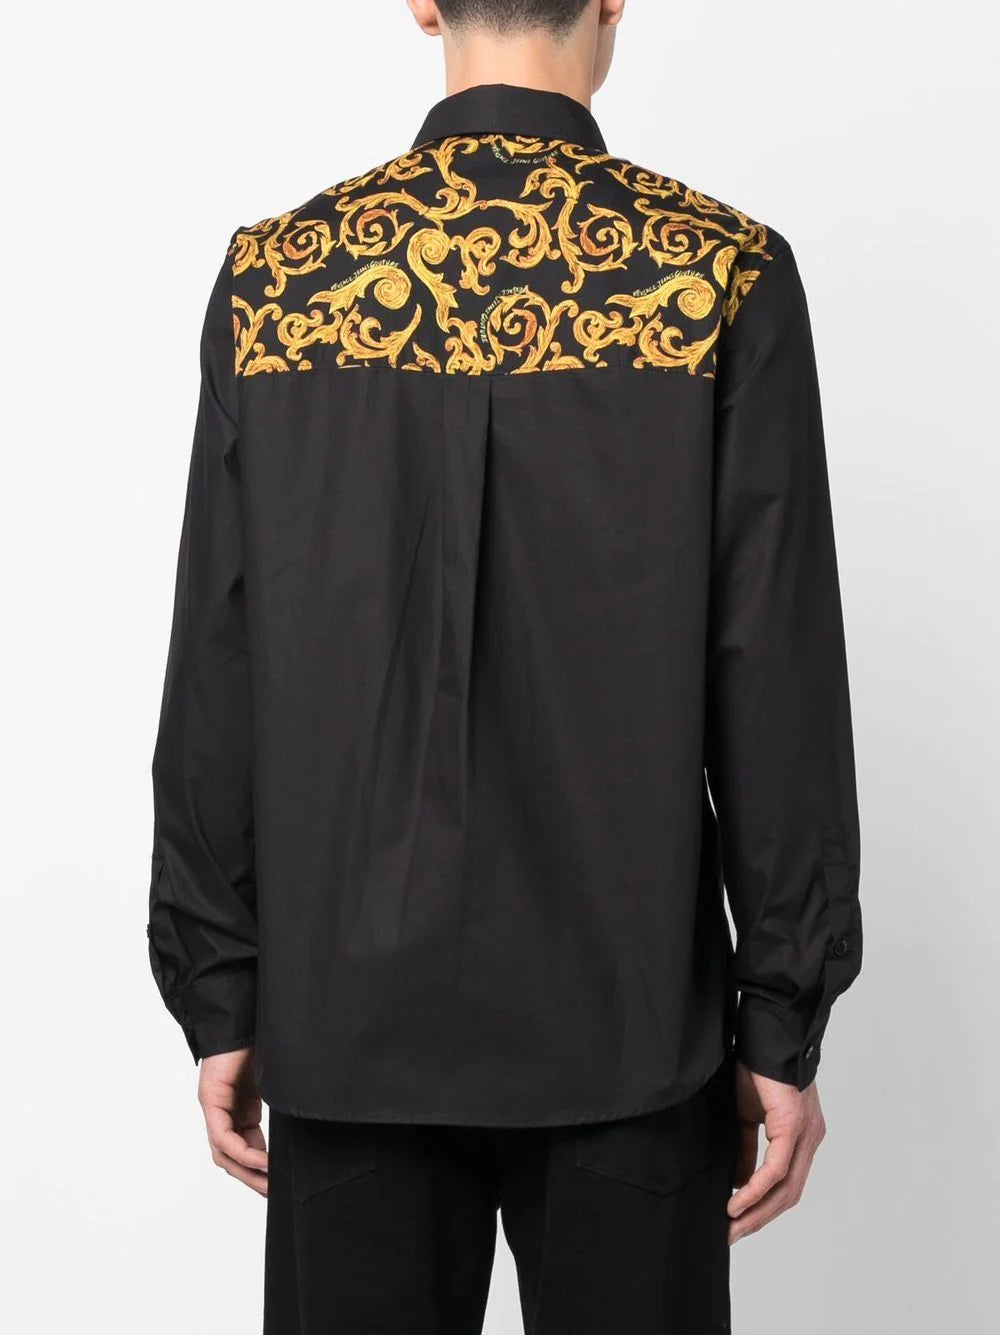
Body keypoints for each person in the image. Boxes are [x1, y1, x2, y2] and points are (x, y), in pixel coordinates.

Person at [146, 1, 863, 1329]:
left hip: (347, 1021)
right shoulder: (719, 275)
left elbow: (218, 665)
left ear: (424, 1)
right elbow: (777, 678)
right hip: (629, 1026)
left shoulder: (279, 281)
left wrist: (220, 986)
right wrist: (782, 1012)